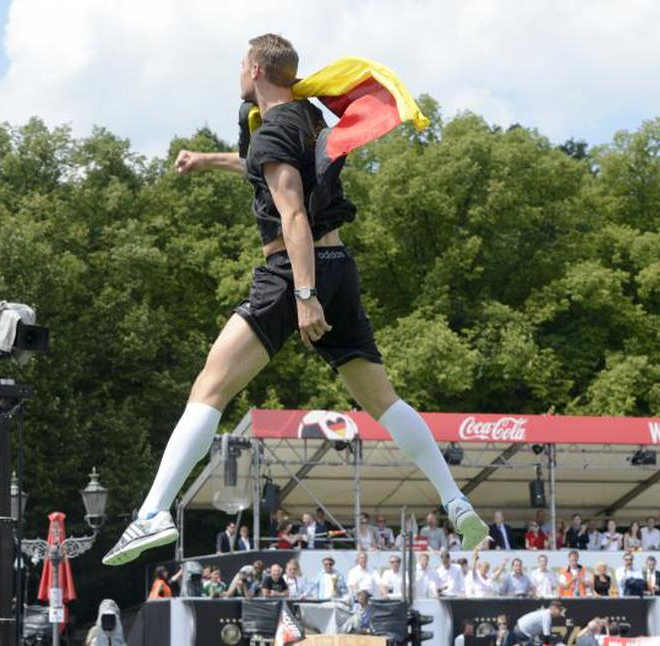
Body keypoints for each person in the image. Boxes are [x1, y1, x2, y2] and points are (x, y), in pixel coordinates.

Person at [102, 32, 487, 566]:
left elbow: (293, 214)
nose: (238, 71)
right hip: (339, 269)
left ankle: (151, 515)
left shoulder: (273, 131)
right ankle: (455, 498)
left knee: (209, 390)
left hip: (291, 273)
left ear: (257, 68)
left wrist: (304, 296)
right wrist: (207, 161)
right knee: (384, 402)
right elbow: (267, 171)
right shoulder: (304, 119)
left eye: (241, 63)